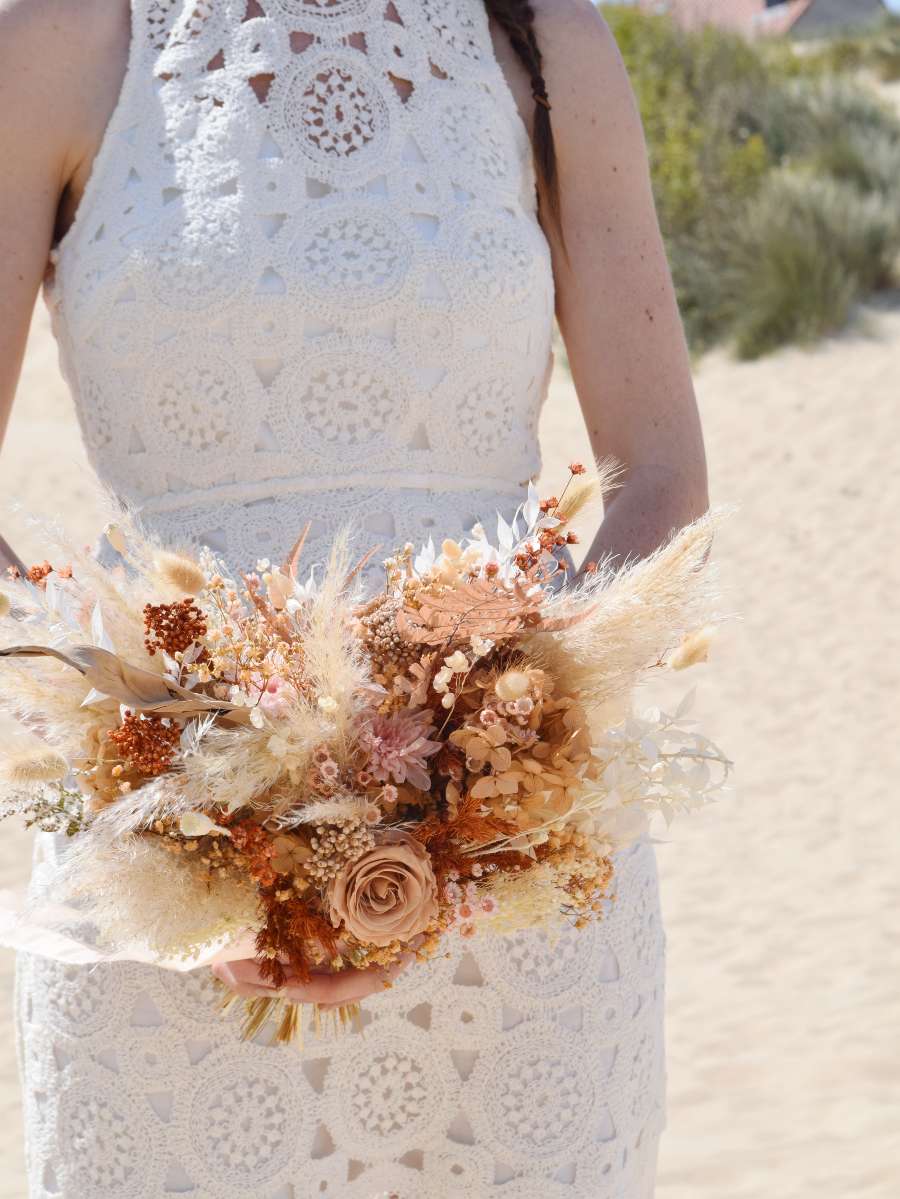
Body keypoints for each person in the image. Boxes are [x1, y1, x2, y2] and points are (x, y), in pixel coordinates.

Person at [0, 0, 708, 1194]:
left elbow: (662, 475)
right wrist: (172, 797)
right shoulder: (66, 39)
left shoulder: (543, 37)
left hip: (521, 901)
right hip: (167, 896)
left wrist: (471, 799)